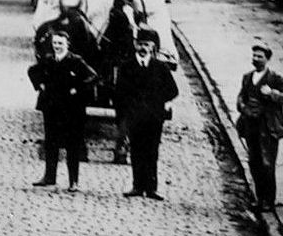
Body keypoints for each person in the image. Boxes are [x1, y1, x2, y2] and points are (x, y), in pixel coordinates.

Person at [28, 28, 99, 191]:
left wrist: (78, 89)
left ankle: (73, 181)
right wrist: (40, 85)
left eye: (60, 43)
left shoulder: (76, 61)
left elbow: (93, 76)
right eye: (54, 43)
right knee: (51, 142)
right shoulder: (48, 59)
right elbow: (32, 71)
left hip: (71, 110)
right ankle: (49, 177)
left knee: (73, 145)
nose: (57, 46)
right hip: (52, 108)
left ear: (67, 44)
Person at [115, 29, 179, 200]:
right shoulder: (127, 67)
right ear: (135, 44)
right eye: (140, 44)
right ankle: (137, 186)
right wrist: (122, 117)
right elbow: (119, 93)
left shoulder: (160, 67)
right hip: (135, 117)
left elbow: (173, 90)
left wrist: (159, 103)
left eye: (147, 45)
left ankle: (151, 188)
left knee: (152, 152)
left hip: (153, 118)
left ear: (153, 47)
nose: (143, 48)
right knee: (136, 150)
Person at [237, 43, 283, 211]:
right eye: (254, 56)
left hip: (268, 128)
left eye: (259, 56)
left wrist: (272, 94)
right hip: (251, 126)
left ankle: (269, 201)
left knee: (267, 164)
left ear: (267, 59)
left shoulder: (275, 78)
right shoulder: (247, 77)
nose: (255, 59)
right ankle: (259, 198)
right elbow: (241, 97)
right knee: (254, 163)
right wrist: (243, 108)